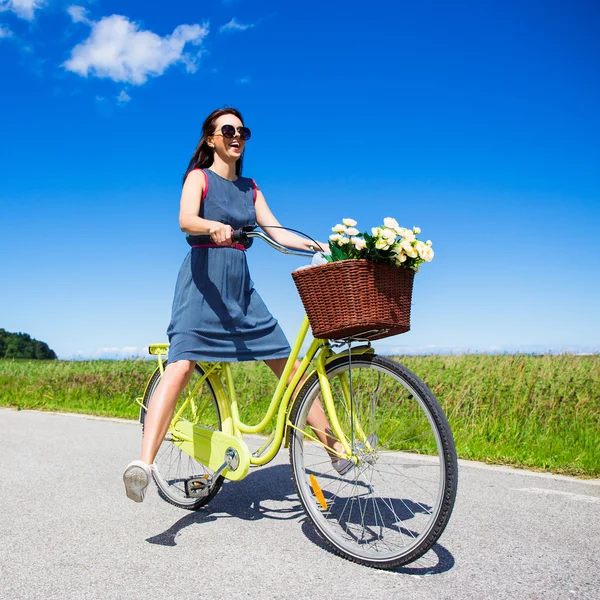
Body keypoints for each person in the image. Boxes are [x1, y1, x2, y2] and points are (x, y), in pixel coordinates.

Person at [123, 107, 348, 503]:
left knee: (288, 363)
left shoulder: (251, 187)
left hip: (240, 288)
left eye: (242, 130)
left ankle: (334, 447)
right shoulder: (199, 178)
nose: (236, 135)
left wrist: (319, 245)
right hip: (202, 283)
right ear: (210, 138)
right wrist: (213, 226)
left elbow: (275, 230)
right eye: (227, 129)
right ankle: (144, 464)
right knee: (182, 363)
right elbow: (185, 219)